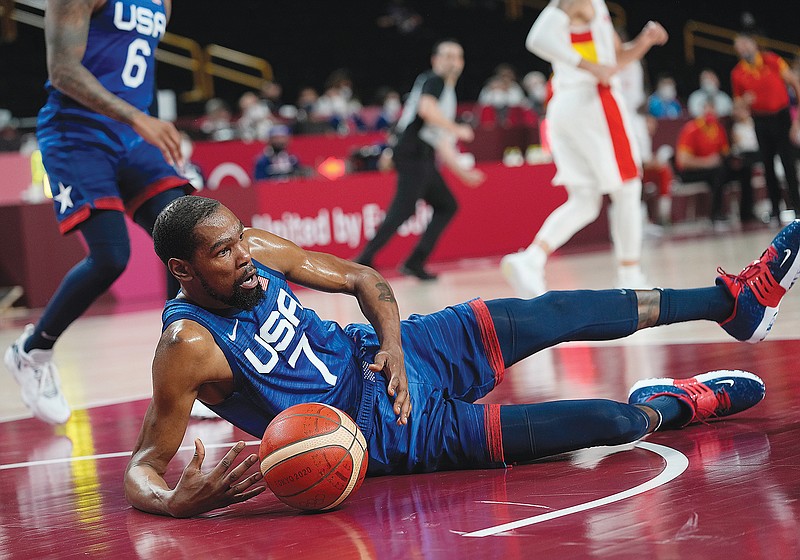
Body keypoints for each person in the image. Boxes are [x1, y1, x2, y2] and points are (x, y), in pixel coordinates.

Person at [124, 195, 800, 518]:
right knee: (612, 426)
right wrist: (173, 502)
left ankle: (730, 301)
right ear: (183, 269)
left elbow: (366, 281)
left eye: (239, 239)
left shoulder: (256, 251)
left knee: (558, 310)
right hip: (395, 434)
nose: (243, 256)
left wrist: (390, 345)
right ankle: (675, 404)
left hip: (405, 350)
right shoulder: (188, 347)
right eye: (222, 253)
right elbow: (143, 469)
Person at [3, 0, 192, 425]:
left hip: (133, 137)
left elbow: (129, 64)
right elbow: (62, 71)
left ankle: (183, 372)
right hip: (77, 134)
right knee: (111, 256)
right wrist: (139, 118)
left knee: (184, 235)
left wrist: (140, 122)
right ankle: (33, 350)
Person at [501, 0, 668, 297]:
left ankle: (531, 259)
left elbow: (616, 59)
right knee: (628, 187)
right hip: (593, 102)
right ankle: (630, 275)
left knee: (585, 200)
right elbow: (537, 38)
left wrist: (645, 40)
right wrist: (589, 66)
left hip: (567, 106)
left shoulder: (598, 8)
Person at [354, 39, 485, 280]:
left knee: (446, 205)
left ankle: (414, 261)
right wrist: (457, 128)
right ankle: (363, 260)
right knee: (403, 210)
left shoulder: (446, 91)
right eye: (446, 55)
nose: (452, 61)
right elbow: (426, 111)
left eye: (457, 56)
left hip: (421, 153)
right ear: (435, 60)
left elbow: (440, 140)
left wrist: (462, 173)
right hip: (413, 151)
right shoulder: (434, 81)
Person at [731, 32, 800, 223]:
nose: (743, 49)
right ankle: (776, 211)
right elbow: (737, 107)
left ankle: (797, 208)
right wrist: (744, 102)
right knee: (767, 166)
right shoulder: (737, 73)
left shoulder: (772, 60)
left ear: (754, 44)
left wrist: (797, 120)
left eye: (745, 44)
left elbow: (794, 82)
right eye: (739, 46)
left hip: (782, 117)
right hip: (760, 121)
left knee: (788, 164)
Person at [674, 97, 736, 228]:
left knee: (740, 171)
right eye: (707, 108)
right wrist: (707, 162)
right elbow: (683, 161)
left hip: (713, 169)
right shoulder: (691, 129)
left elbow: (724, 154)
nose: (710, 112)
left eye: (713, 108)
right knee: (717, 173)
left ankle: (746, 213)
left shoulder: (719, 129)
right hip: (690, 172)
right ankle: (716, 215)